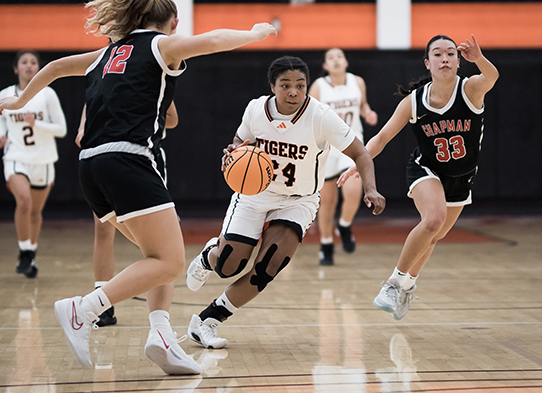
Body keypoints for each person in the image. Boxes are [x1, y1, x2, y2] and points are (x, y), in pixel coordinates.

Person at [0, 0, 277, 374]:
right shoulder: (160, 45)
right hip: (127, 160)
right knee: (170, 260)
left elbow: (53, 67)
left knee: (159, 254)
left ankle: (161, 337)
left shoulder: (107, 52)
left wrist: (18, 100)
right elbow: (213, 40)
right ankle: (84, 309)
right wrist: (257, 33)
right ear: (172, 22)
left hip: (90, 166)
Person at [185, 56, 385, 349]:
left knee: (268, 266)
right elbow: (239, 142)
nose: (294, 91)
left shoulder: (321, 116)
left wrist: (371, 188)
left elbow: (361, 153)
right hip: (256, 195)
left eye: (301, 85)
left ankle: (207, 322)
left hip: (298, 200)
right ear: (273, 86)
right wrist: (233, 153)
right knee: (228, 266)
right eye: (286, 85)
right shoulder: (256, 109)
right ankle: (209, 256)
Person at [338, 34, 499, 320]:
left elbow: (492, 76)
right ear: (428, 63)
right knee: (433, 220)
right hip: (426, 169)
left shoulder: (471, 89)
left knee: (433, 238)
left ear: (459, 61)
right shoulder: (414, 102)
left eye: (451, 53)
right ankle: (393, 283)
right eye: (438, 54)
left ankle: (407, 286)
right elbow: (383, 137)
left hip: (461, 177)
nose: (445, 58)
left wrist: (480, 60)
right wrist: (357, 164)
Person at [75, 102, 178, 327]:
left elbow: (172, 119)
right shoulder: (104, 72)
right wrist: (84, 126)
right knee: (103, 230)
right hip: (105, 155)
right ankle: (102, 303)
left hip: (140, 157)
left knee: (160, 252)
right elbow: (90, 98)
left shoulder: (150, 74)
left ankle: (160, 326)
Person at [0, 50, 67, 279]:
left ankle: (31, 254)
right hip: (16, 156)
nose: (29, 66)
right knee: (24, 201)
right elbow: (1, 117)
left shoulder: (48, 95)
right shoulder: (6, 94)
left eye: (33, 62)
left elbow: (62, 129)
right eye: (24, 62)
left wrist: (38, 123)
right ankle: (25, 250)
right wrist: (2, 135)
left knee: (35, 212)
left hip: (43, 159)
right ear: (16, 68)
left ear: (39, 68)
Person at [309, 48, 378, 265]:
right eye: (331, 58)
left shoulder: (357, 82)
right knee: (327, 201)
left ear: (346, 62)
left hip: (351, 143)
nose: (336, 60)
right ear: (325, 66)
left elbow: (363, 104)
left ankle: (345, 225)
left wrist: (368, 112)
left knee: (354, 190)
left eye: (339, 57)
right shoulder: (318, 87)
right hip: (326, 147)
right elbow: (309, 116)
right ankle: (326, 244)